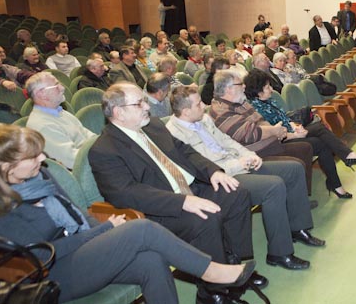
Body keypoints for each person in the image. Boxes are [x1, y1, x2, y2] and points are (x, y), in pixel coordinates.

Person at [0, 124, 255, 304]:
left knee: (152, 261)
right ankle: (210, 272)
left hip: (82, 250)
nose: (43, 158)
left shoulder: (41, 175)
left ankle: (211, 276)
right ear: (5, 165)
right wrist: (104, 230)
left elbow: (77, 213)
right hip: (49, 275)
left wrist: (101, 232)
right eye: (33, 156)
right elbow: (41, 256)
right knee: (141, 228)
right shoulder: (2, 207)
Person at [89, 83, 261, 303]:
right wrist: (182, 202)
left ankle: (234, 265)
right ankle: (213, 292)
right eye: (139, 103)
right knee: (206, 217)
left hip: (190, 189)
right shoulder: (104, 150)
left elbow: (185, 151)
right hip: (159, 210)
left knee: (236, 194)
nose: (147, 107)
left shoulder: (153, 126)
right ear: (118, 112)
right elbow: (126, 193)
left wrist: (213, 172)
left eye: (144, 101)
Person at [166, 86, 324, 269]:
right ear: (186, 111)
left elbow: (227, 141)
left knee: (294, 169)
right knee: (273, 187)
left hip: (237, 162)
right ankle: (280, 253)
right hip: (222, 176)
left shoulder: (203, 118)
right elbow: (202, 166)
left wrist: (249, 155)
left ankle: (298, 228)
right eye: (199, 103)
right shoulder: (174, 134)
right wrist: (239, 164)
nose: (204, 105)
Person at [243, 69, 356, 198]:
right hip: (279, 143)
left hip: (290, 133)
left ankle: (347, 159)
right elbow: (274, 135)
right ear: (258, 92)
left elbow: (285, 119)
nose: (271, 89)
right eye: (267, 87)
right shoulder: (256, 110)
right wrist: (295, 135)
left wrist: (296, 127)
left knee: (319, 128)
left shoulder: (268, 101)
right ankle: (338, 179)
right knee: (321, 143)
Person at [25, 72, 96, 169]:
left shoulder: (59, 111)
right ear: (41, 94)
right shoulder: (42, 126)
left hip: (91, 160)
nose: (62, 88)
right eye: (56, 86)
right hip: (84, 169)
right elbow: (73, 161)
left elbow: (87, 135)